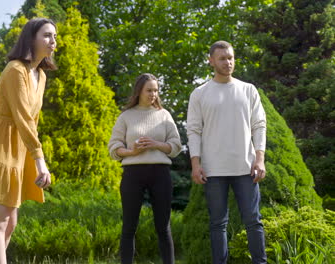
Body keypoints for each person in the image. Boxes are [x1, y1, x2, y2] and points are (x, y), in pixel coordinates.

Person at [0, 18, 57, 264]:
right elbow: (23, 117)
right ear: (31, 38)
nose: (53, 41)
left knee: (9, 224)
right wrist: (40, 161)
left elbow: (32, 121)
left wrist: (31, 157)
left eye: (54, 37)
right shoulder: (15, 69)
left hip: (17, 151)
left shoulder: (40, 76)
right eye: (47, 35)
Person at [186, 40, 267, 264]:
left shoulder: (248, 90)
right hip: (213, 170)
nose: (228, 62)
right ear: (211, 61)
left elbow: (259, 125)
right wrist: (195, 164)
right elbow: (193, 131)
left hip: (246, 168)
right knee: (217, 224)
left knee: (253, 221)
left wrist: (259, 159)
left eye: (230, 57)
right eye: (222, 58)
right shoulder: (199, 94)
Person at [108, 73, 182, 264]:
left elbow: (175, 147)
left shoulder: (164, 116)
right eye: (149, 90)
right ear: (139, 91)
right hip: (133, 174)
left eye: (156, 90)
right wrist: (131, 152)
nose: (153, 94)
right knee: (129, 226)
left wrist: (156, 144)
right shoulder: (126, 116)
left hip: (160, 173)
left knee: (163, 226)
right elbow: (114, 148)